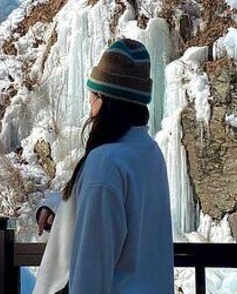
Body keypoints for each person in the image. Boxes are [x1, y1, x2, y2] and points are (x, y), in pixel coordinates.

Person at [33, 39, 174, 294]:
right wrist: (63, 212)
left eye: (93, 96)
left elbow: (91, 268)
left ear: (107, 100)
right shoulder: (150, 153)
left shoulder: (106, 163)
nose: (89, 106)